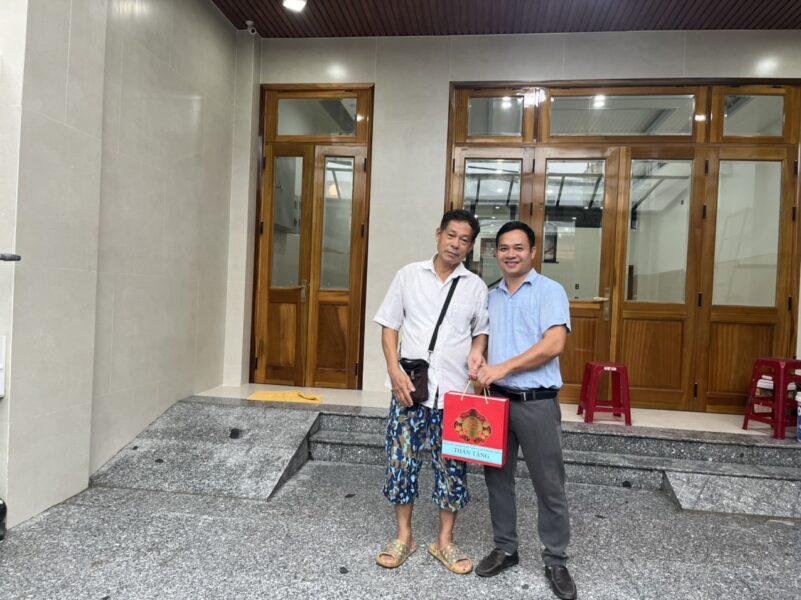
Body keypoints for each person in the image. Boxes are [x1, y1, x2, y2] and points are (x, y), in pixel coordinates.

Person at [373, 209, 489, 574]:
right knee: (401, 461)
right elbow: (389, 326)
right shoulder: (408, 275)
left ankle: (445, 542)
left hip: (454, 395)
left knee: (452, 468)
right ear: (438, 234)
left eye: (464, 240)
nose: (456, 244)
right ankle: (403, 537)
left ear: (471, 246)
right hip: (410, 389)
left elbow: (480, 331)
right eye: (451, 235)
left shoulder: (475, 286)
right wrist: (393, 370)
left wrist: (477, 350)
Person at [472, 221, 577, 600]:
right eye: (503, 248)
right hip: (496, 403)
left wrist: (503, 367)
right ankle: (506, 548)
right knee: (497, 480)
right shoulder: (490, 295)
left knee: (549, 484)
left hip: (537, 403)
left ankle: (555, 559)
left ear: (533, 252)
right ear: (495, 253)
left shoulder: (550, 291)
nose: (510, 254)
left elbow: (554, 344)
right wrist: (478, 355)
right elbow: (481, 337)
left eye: (518, 247)